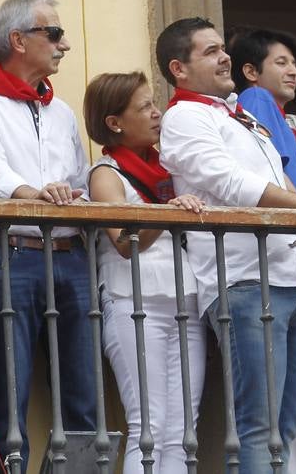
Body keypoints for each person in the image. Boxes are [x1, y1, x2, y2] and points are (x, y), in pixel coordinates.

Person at [156, 17, 296, 471]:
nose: (225, 56)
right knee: (259, 426)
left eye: (223, 48)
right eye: (211, 50)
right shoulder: (183, 116)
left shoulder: (242, 114)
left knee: (286, 429)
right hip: (246, 280)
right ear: (178, 67)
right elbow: (232, 184)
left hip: (292, 276)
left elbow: (279, 180)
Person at [0, 0, 97, 474]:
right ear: (18, 40)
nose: (65, 45)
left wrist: (71, 197)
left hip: (70, 256)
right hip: (9, 254)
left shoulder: (61, 111)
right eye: (53, 34)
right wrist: (39, 194)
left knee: (83, 397)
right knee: (7, 398)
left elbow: (76, 179)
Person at [82, 71, 207, 474]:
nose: (158, 114)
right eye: (145, 108)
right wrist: (166, 215)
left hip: (184, 298)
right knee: (147, 428)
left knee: (184, 429)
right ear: (114, 123)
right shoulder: (105, 173)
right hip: (133, 302)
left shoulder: (168, 168)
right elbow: (123, 241)